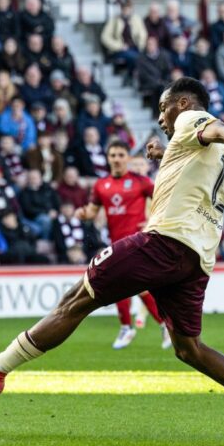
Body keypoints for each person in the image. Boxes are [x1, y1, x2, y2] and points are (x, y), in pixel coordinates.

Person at [0, 76, 224, 443]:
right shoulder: (212, 150)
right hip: (196, 260)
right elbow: (200, 164)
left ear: (181, 103)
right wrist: (168, 155)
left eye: (163, 108)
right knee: (188, 348)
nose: (161, 118)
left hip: (164, 242)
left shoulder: (193, 119)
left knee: (75, 301)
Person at [75, 140, 169, 350]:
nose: (116, 159)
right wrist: (83, 214)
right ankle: (162, 325)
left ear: (127, 158)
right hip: (117, 244)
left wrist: (152, 221)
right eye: (113, 155)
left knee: (119, 283)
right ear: (108, 159)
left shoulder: (141, 182)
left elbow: (164, 200)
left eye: (120, 155)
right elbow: (92, 211)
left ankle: (129, 327)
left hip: (139, 242)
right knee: (137, 287)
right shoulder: (101, 185)